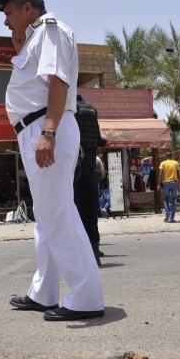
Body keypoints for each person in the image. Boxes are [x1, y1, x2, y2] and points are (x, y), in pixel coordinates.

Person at [0, 0, 104, 321]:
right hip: (36, 128)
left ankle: (86, 296)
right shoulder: (34, 38)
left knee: (58, 214)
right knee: (47, 216)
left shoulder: (51, 30)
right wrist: (19, 45)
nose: (6, 21)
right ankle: (44, 292)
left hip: (46, 126)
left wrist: (49, 131)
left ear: (29, 9)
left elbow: (58, 81)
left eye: (10, 13)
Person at [73, 95, 106, 266]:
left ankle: (78, 256)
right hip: (91, 166)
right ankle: (94, 253)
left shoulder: (70, 110)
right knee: (91, 211)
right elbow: (101, 140)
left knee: (74, 210)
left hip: (75, 165)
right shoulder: (91, 109)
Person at [158, 152, 180, 223]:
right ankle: (172, 218)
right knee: (173, 201)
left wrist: (158, 184)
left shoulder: (163, 163)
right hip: (174, 183)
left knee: (166, 199)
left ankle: (167, 215)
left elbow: (160, 174)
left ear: (165, 156)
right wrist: (178, 185)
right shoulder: (176, 163)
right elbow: (178, 174)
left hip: (166, 183)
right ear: (171, 156)